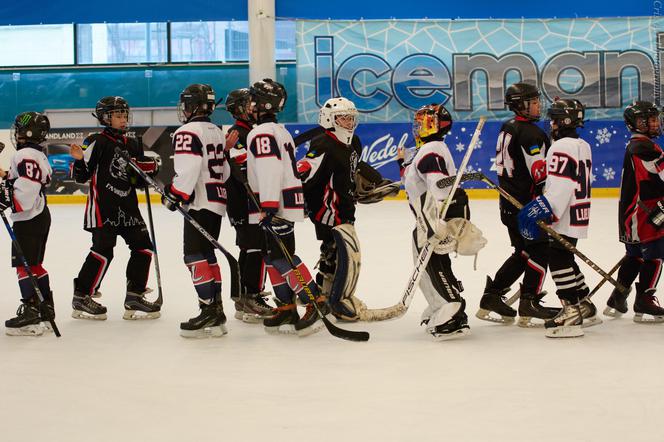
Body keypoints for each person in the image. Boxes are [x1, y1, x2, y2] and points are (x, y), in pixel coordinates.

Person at [246, 78, 327, 336]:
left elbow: (269, 168)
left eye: (252, 99)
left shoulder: (260, 133)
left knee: (281, 257)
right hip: (284, 200)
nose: (249, 104)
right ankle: (286, 308)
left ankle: (315, 301)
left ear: (261, 103)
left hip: (275, 203)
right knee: (273, 256)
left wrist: (268, 206)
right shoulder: (278, 130)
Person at [70, 96, 160, 321]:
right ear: (104, 118)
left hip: (128, 207)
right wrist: (80, 161)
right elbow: (82, 176)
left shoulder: (132, 144)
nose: (123, 119)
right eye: (117, 115)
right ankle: (82, 295)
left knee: (144, 247)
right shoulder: (95, 141)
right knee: (103, 249)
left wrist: (148, 171)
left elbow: (138, 182)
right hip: (103, 207)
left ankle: (134, 295)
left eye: (124, 115)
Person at [477, 82, 559, 327]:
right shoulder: (532, 134)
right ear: (521, 105)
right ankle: (529, 301)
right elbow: (541, 176)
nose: (538, 106)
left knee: (523, 252)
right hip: (528, 207)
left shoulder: (509, 127)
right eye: (533, 102)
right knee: (540, 250)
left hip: (508, 203)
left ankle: (492, 295)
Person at [518, 98, 599, 338]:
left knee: (558, 258)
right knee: (565, 254)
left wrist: (543, 208)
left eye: (554, 119)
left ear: (563, 121)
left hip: (564, 211)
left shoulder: (561, 146)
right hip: (578, 210)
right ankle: (585, 303)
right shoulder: (582, 144)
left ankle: (571, 311)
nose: (551, 124)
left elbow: (561, 186)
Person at [403, 103, 484, 340]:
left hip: (434, 218)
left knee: (432, 263)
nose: (417, 126)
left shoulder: (431, 150)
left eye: (421, 122)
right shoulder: (430, 148)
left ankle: (452, 310)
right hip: (428, 217)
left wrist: (439, 219)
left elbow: (438, 186)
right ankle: (441, 305)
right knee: (429, 263)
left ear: (432, 124)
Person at [162, 84, 230, 338]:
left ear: (192, 106)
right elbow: (226, 170)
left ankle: (208, 310)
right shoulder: (216, 130)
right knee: (207, 254)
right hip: (217, 200)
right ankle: (216, 310)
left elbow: (188, 169)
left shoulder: (187, 131)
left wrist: (174, 195)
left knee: (193, 255)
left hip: (200, 201)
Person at [297, 97, 367, 321]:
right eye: (343, 118)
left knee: (333, 252)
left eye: (351, 118)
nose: (349, 122)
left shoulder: (354, 142)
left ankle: (324, 293)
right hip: (326, 209)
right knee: (341, 253)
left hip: (345, 207)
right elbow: (305, 171)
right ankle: (336, 301)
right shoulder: (322, 143)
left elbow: (352, 168)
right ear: (329, 119)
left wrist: (375, 181)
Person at [604, 101, 664, 322]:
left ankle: (618, 296)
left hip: (634, 212)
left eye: (656, 118)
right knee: (657, 254)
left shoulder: (639, 145)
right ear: (637, 124)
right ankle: (644, 300)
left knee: (635, 255)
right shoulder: (643, 147)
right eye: (650, 120)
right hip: (643, 213)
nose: (655, 123)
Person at [1, 112, 55, 336]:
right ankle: (45, 309)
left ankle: (31, 312)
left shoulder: (24, 155)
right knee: (34, 264)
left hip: (29, 217)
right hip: (39, 215)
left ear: (26, 132)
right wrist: (6, 178)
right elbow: (32, 180)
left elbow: (26, 190)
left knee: (24, 266)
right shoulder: (36, 154)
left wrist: (6, 199)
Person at [223, 88, 273, 323]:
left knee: (251, 246)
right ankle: (250, 296)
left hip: (246, 200)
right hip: (243, 201)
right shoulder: (237, 132)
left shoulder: (251, 131)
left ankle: (245, 297)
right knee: (255, 246)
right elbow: (243, 165)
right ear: (237, 109)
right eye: (248, 104)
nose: (253, 107)